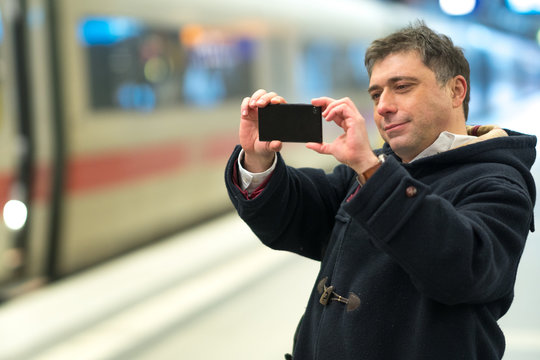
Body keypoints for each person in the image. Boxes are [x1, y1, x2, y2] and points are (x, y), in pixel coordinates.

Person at [224, 21, 536, 360]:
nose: (382, 106)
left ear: (456, 91)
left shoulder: (497, 182)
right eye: (376, 94)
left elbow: (463, 270)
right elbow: (298, 214)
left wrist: (372, 171)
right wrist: (258, 161)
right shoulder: (382, 167)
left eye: (401, 86)